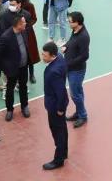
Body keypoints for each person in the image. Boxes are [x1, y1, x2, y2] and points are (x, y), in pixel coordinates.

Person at [0, 12, 32, 121]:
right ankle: (9, 110)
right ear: (18, 25)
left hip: (23, 67)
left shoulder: (24, 32)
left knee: (23, 87)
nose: (26, 24)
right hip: (11, 69)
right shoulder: (6, 37)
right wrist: (5, 68)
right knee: (10, 89)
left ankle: (24, 106)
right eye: (24, 22)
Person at [40, 41, 69, 170]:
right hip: (58, 104)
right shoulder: (60, 58)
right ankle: (64, 152)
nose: (42, 56)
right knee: (62, 129)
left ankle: (59, 160)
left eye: (44, 55)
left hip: (55, 107)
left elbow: (60, 91)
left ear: (52, 56)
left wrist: (60, 109)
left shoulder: (53, 72)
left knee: (58, 132)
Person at [62, 11, 90, 127]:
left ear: (77, 22)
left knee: (75, 94)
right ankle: (79, 113)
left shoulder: (84, 36)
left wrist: (69, 63)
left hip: (77, 70)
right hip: (71, 68)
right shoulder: (75, 31)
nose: (69, 23)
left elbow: (85, 56)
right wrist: (66, 46)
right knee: (78, 92)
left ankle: (83, 116)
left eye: (70, 22)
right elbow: (71, 41)